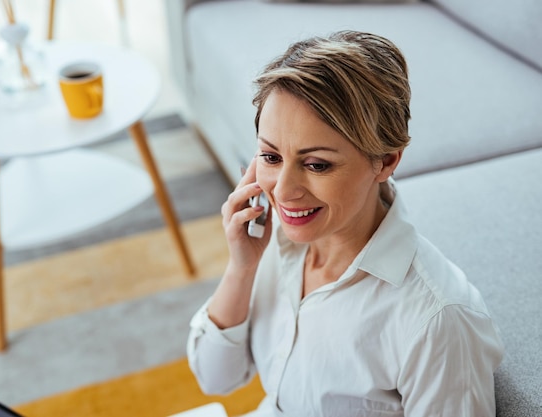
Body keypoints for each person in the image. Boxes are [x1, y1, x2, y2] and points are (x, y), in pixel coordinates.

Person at [187, 31, 504, 416]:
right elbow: (215, 379)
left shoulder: (438, 322)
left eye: (317, 164)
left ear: (386, 161)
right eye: (270, 157)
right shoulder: (273, 240)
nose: (283, 191)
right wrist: (242, 267)